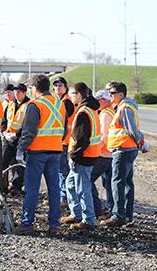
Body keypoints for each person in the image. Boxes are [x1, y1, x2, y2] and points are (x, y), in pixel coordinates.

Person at [16, 74, 66, 236]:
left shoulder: (35, 105)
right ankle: (54, 224)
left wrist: (20, 149)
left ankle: (27, 224)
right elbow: (63, 129)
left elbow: (29, 132)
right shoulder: (60, 104)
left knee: (32, 189)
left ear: (34, 88)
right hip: (56, 151)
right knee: (54, 190)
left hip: (37, 152)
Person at [100, 82, 148, 227]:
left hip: (123, 149)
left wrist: (141, 144)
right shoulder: (123, 107)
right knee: (126, 182)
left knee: (118, 182)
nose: (110, 95)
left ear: (121, 94)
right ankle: (127, 215)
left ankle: (118, 216)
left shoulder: (125, 108)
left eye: (113, 93)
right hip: (126, 149)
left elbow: (131, 129)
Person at [62, 82, 101, 230]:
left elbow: (81, 139)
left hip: (83, 157)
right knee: (70, 184)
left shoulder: (84, 111)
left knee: (82, 189)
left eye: (72, 94)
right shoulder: (90, 109)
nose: (70, 97)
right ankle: (76, 213)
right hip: (87, 155)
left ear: (78, 94)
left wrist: (73, 156)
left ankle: (88, 220)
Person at [2, 83, 30, 195]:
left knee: (19, 165)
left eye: (18, 92)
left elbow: (28, 125)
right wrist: (4, 132)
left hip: (20, 140)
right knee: (3, 162)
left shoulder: (29, 105)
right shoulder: (11, 104)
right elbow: (4, 120)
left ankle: (16, 187)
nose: (16, 94)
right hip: (8, 139)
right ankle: (3, 186)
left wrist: (16, 135)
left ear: (24, 93)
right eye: (15, 92)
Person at [90, 90, 115, 216]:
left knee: (88, 179)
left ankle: (96, 208)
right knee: (110, 184)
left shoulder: (105, 115)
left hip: (104, 154)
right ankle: (112, 210)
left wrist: (94, 151)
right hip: (111, 154)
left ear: (102, 100)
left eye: (98, 100)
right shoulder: (111, 111)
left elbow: (104, 137)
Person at [52, 76, 75, 209]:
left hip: (64, 140)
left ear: (65, 87)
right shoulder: (59, 100)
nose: (58, 87)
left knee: (62, 171)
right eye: (56, 85)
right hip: (59, 140)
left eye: (60, 85)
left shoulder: (66, 102)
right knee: (59, 170)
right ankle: (62, 196)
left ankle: (64, 198)